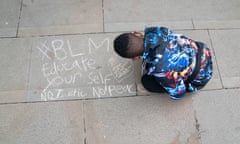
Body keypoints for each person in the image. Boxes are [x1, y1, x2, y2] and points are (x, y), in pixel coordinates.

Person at [113, 26, 213, 100]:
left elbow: (178, 93)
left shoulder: (159, 71)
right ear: (137, 33)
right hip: (204, 52)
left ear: (135, 58)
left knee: (147, 82)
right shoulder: (158, 31)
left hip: (201, 78)